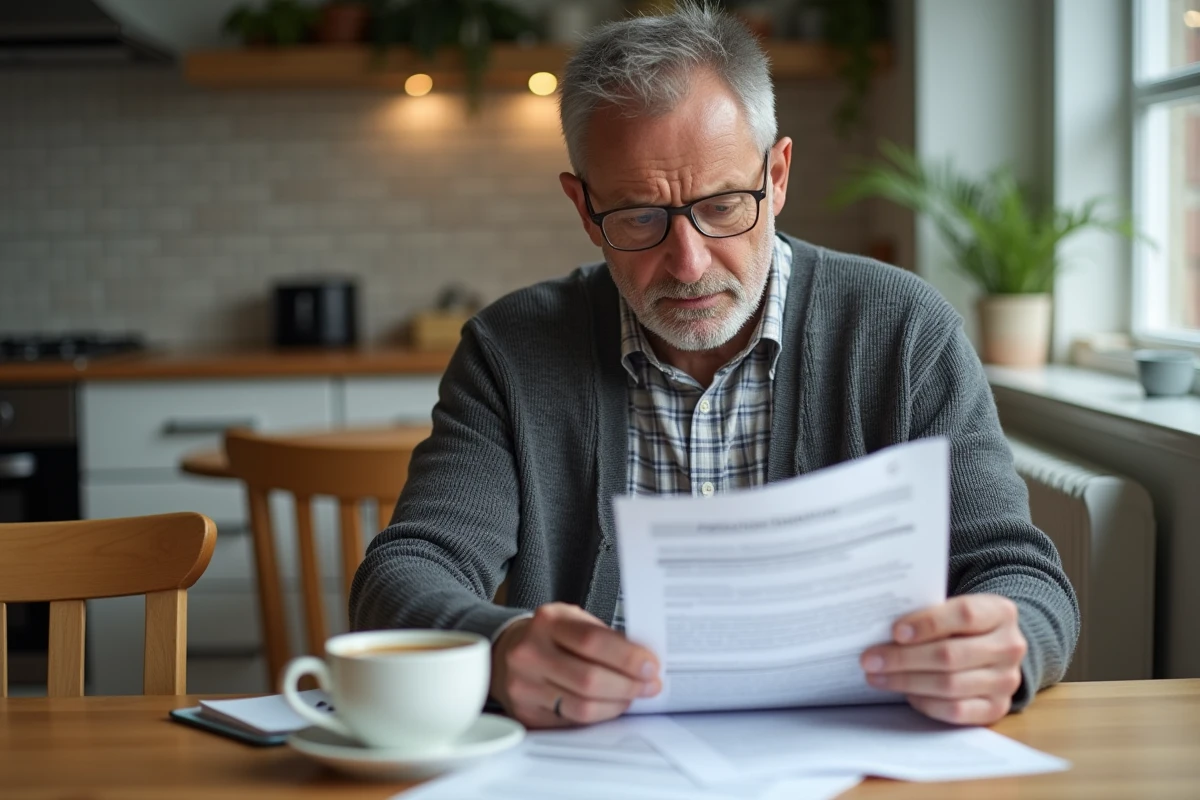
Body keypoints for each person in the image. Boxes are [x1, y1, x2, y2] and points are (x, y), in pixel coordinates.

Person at [349, 5, 1078, 730]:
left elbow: (1023, 575)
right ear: (583, 206)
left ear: (779, 175)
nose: (689, 263)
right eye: (638, 217)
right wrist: (500, 646)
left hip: (854, 753)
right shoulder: (511, 350)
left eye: (725, 205)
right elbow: (402, 574)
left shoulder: (904, 331)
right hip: (594, 762)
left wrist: (1006, 647)